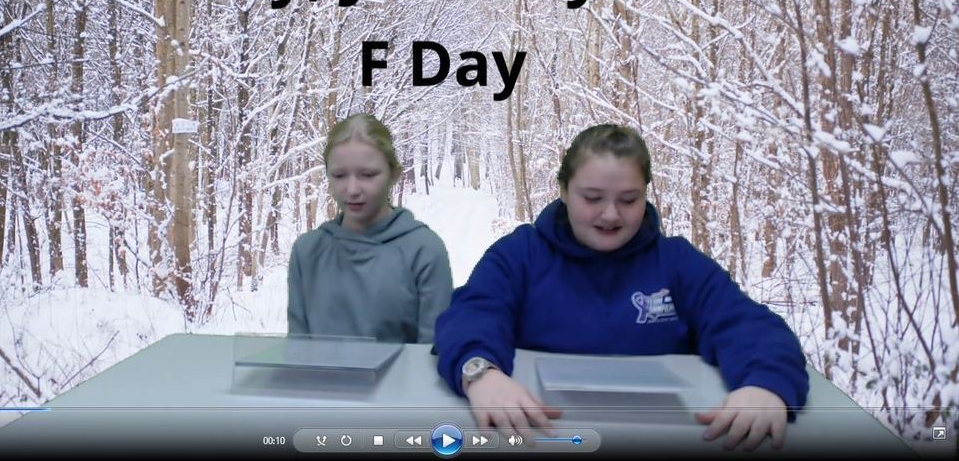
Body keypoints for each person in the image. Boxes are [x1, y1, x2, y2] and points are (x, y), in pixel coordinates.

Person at [434, 124, 808, 451]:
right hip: (542, 434)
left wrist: (766, 385)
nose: (611, 214)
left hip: (660, 438)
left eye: (629, 200)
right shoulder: (520, 255)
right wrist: (481, 373)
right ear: (563, 190)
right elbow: (471, 315)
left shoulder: (676, 263)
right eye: (592, 198)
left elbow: (748, 325)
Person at [287, 113, 453, 344]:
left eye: (367, 175)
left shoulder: (424, 250)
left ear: (393, 175)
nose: (352, 189)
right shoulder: (307, 251)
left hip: (404, 380)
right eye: (339, 175)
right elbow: (298, 347)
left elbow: (433, 351)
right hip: (319, 380)